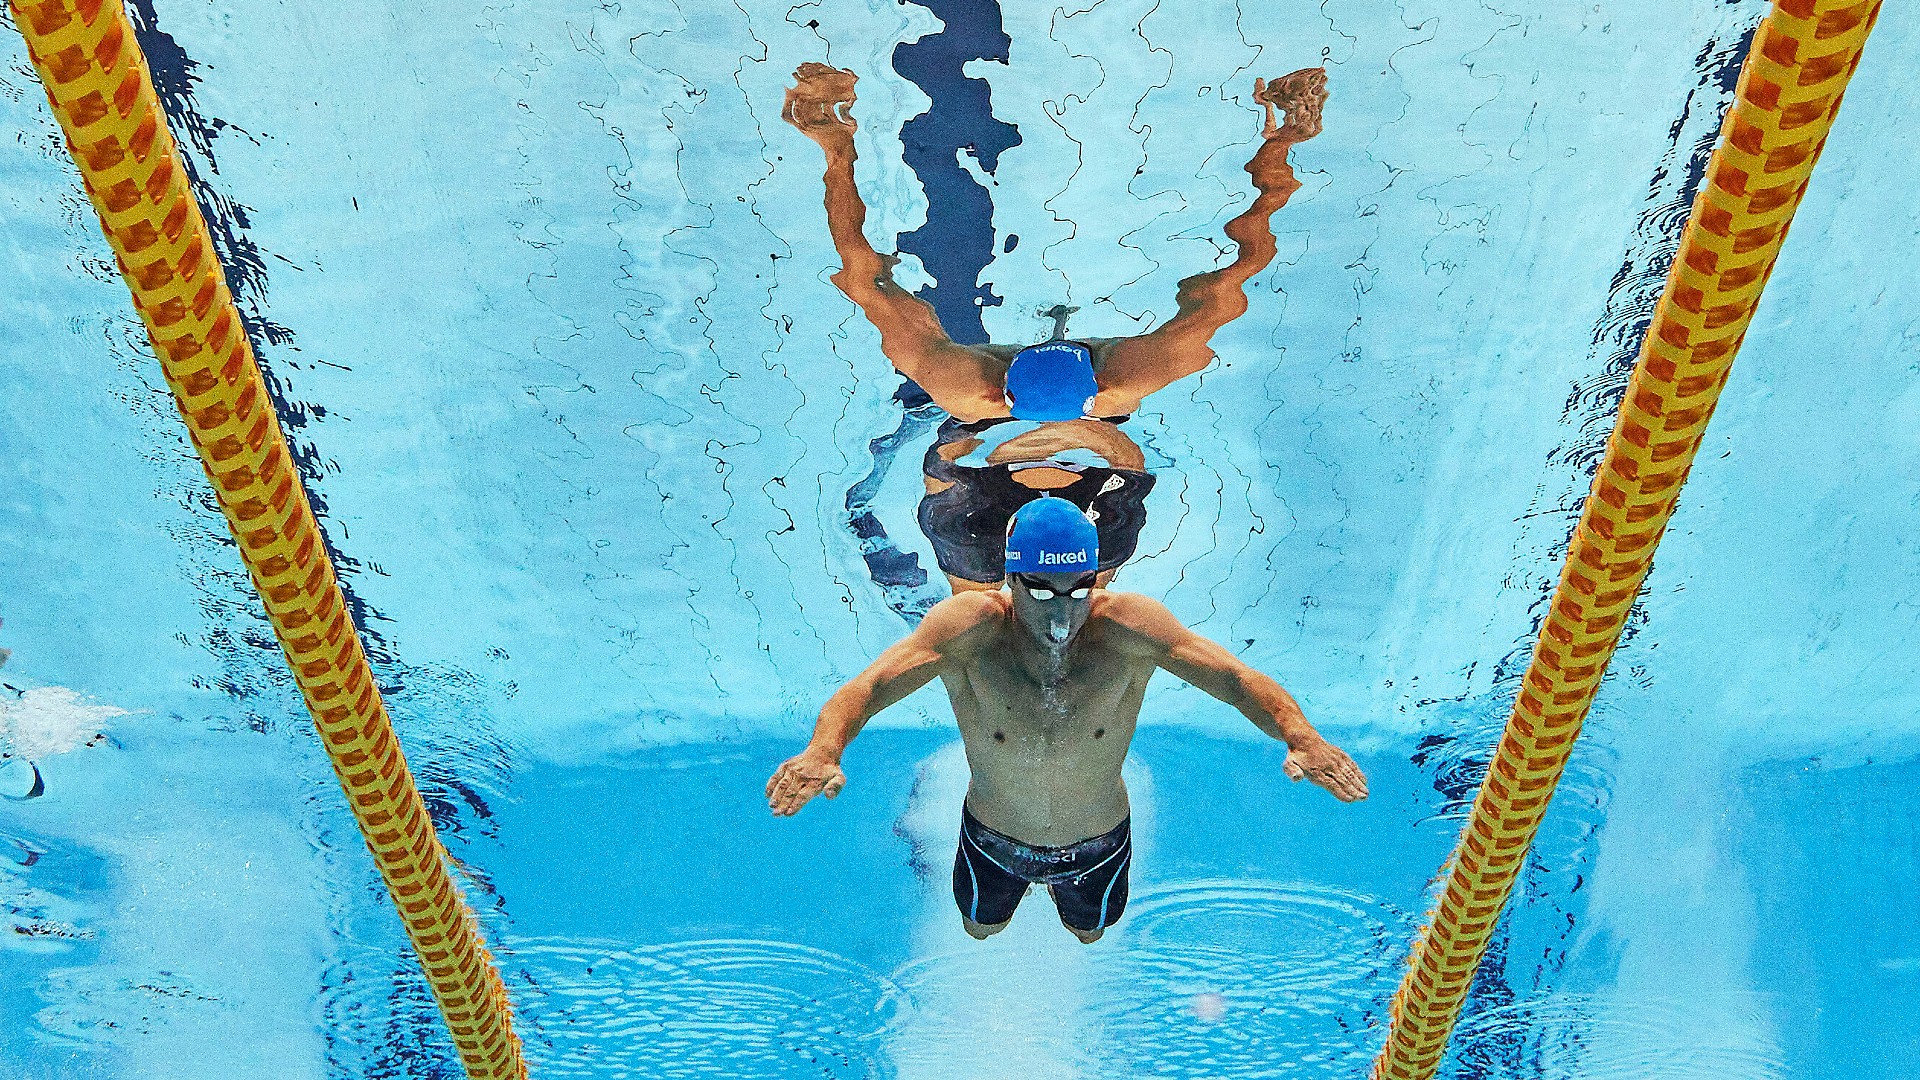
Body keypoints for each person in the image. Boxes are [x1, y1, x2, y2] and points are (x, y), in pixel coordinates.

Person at [767, 498, 1367, 943]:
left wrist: (1301, 736)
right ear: (1010, 577)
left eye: (1078, 589)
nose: (1062, 608)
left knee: (1089, 936)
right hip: (992, 838)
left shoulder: (1130, 631)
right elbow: (869, 686)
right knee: (981, 931)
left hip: (1098, 844)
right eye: (1043, 589)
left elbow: (1234, 679)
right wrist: (824, 750)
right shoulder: (970, 631)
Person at [782, 61, 1328, 424]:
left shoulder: (961, 385)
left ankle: (829, 139)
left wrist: (837, 153)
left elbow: (862, 275)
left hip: (1025, 395)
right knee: (1230, 283)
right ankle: (1286, 138)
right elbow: (1240, 273)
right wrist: (1279, 160)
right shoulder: (1139, 370)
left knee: (867, 280)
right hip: (1072, 392)